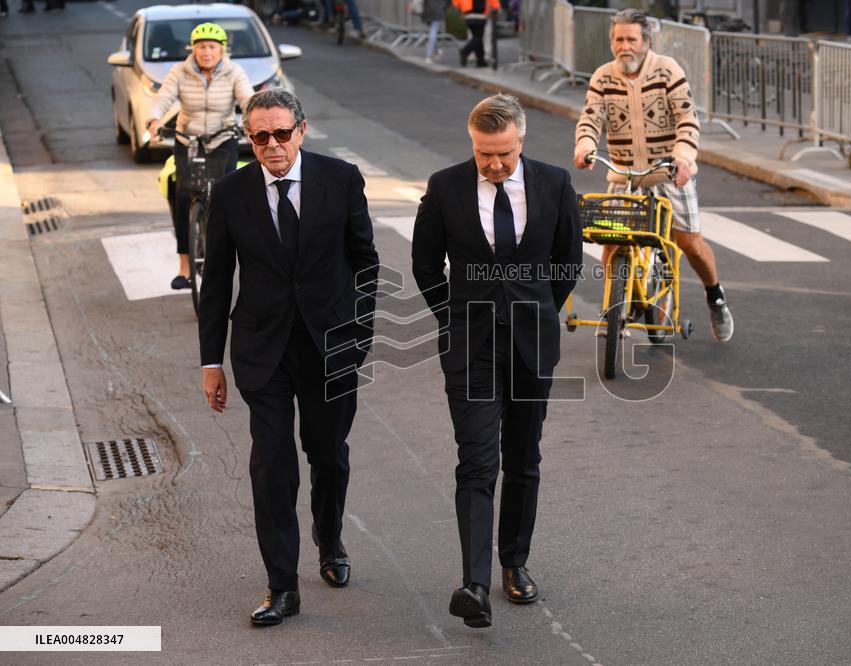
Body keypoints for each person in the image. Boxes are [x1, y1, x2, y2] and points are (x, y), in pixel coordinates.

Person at [198, 89, 379, 626]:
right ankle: (281, 585)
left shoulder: (341, 179)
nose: (272, 145)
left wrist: (358, 335)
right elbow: (216, 282)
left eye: (281, 133)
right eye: (260, 137)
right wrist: (211, 362)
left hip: (331, 344)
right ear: (249, 139)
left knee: (328, 454)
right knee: (272, 465)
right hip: (263, 349)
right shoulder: (230, 193)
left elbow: (365, 262)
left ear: (302, 129)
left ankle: (330, 539)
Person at [412, 94, 582, 628]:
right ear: (472, 143)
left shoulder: (554, 183)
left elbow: (568, 261)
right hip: (472, 348)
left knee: (524, 458)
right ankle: (475, 585)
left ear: (521, 141)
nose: (494, 164)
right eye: (484, 153)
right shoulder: (445, 187)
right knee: (478, 462)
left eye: (504, 153)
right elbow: (424, 265)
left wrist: (539, 311)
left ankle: (514, 563)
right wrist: (454, 318)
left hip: (532, 344)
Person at [574, 9, 734, 342]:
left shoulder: (668, 70)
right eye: (619, 39)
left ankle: (715, 296)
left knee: (690, 243)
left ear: (646, 41)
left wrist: (683, 159)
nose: (625, 46)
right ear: (612, 42)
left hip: (669, 172)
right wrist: (585, 146)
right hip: (624, 176)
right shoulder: (602, 77)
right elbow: (590, 118)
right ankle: (614, 309)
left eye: (632, 39)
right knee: (612, 241)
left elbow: (688, 121)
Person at [147, 23, 253, 291]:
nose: (207, 52)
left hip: (222, 138)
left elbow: (247, 99)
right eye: (201, 47)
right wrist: (154, 120)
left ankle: (237, 252)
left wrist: (254, 120)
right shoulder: (180, 71)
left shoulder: (234, 71)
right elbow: (163, 98)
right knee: (183, 196)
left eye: (212, 47)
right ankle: (184, 268)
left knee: (228, 195)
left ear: (222, 49)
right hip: (188, 139)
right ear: (193, 49)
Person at [453, 0, 499, 68]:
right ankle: (465, 51)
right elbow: (493, 2)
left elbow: (456, 2)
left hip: (467, 13)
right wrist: (495, 8)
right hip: (480, 13)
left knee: (477, 37)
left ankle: (480, 60)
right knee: (478, 37)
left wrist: (461, 11)